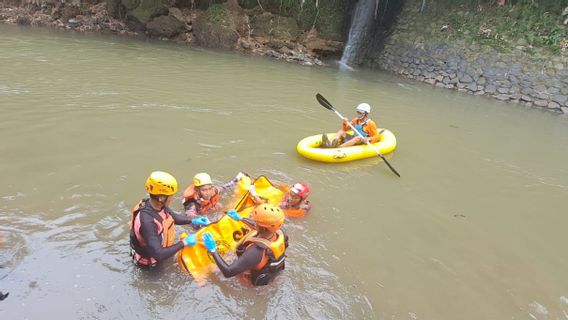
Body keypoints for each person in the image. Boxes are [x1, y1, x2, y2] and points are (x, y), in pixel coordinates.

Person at [130, 171, 210, 269]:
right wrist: (184, 243)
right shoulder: (147, 222)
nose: (173, 198)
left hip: (160, 252)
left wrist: (193, 220)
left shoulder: (156, 205)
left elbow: (173, 217)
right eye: (171, 195)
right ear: (161, 198)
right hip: (151, 264)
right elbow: (158, 254)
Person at [201, 204, 288, 286]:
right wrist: (241, 218)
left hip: (253, 284)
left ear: (262, 226)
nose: (253, 220)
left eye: (255, 220)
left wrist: (213, 250)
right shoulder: (281, 233)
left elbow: (228, 272)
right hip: (271, 272)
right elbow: (261, 228)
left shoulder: (255, 252)